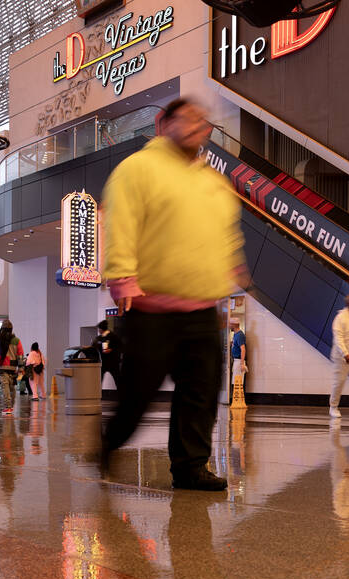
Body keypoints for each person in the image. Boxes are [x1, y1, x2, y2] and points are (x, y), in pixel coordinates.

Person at [100, 97, 248, 491]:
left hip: (201, 307)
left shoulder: (213, 180)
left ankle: (190, 467)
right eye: (190, 118)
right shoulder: (138, 169)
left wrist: (230, 268)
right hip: (151, 306)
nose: (200, 126)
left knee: (200, 391)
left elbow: (225, 232)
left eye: (204, 121)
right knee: (139, 395)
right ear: (163, 123)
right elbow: (122, 223)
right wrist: (121, 276)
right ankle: (109, 442)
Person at [0, 320, 24, 415]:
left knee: (5, 386)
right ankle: (11, 406)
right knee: (12, 387)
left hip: (2, 366)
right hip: (13, 367)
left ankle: (8, 407)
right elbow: (20, 355)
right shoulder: (16, 340)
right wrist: (21, 368)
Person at [92, 320, 121, 386]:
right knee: (98, 380)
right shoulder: (98, 338)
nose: (98, 330)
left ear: (102, 329)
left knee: (118, 380)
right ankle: (98, 395)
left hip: (113, 362)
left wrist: (111, 350)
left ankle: (122, 394)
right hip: (102, 363)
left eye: (99, 329)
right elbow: (94, 348)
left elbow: (120, 347)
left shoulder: (113, 336)